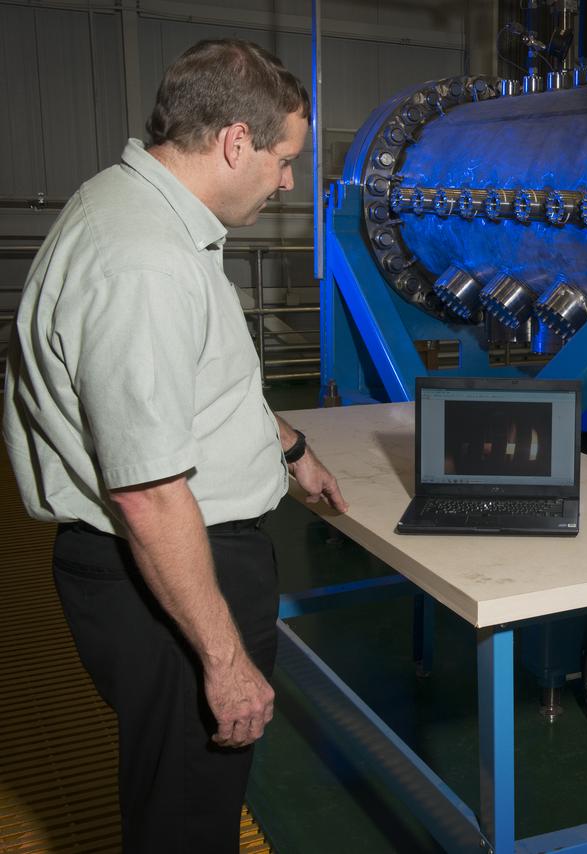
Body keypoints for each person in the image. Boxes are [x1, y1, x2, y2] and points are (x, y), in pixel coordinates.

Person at [3, 39, 348, 852]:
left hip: (165, 557)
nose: (289, 181)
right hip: (170, 568)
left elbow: (195, 384)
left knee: (179, 794)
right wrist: (223, 662)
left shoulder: (136, 210)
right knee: (185, 820)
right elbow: (148, 492)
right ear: (236, 142)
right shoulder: (145, 264)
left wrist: (290, 446)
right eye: (283, 159)